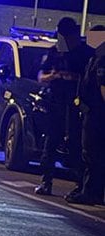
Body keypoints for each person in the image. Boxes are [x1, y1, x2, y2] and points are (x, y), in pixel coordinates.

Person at [34, 17, 94, 197]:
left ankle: (81, 184)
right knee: (51, 143)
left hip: (77, 105)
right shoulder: (54, 52)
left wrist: (73, 78)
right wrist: (52, 76)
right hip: (56, 103)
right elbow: (41, 76)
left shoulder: (84, 53)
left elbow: (90, 79)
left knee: (77, 145)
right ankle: (46, 181)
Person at [67, 25, 105, 205]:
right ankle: (89, 190)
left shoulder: (102, 59)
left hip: (97, 114)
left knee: (92, 154)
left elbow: (102, 87)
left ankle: (91, 193)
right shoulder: (94, 57)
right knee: (91, 153)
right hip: (91, 112)